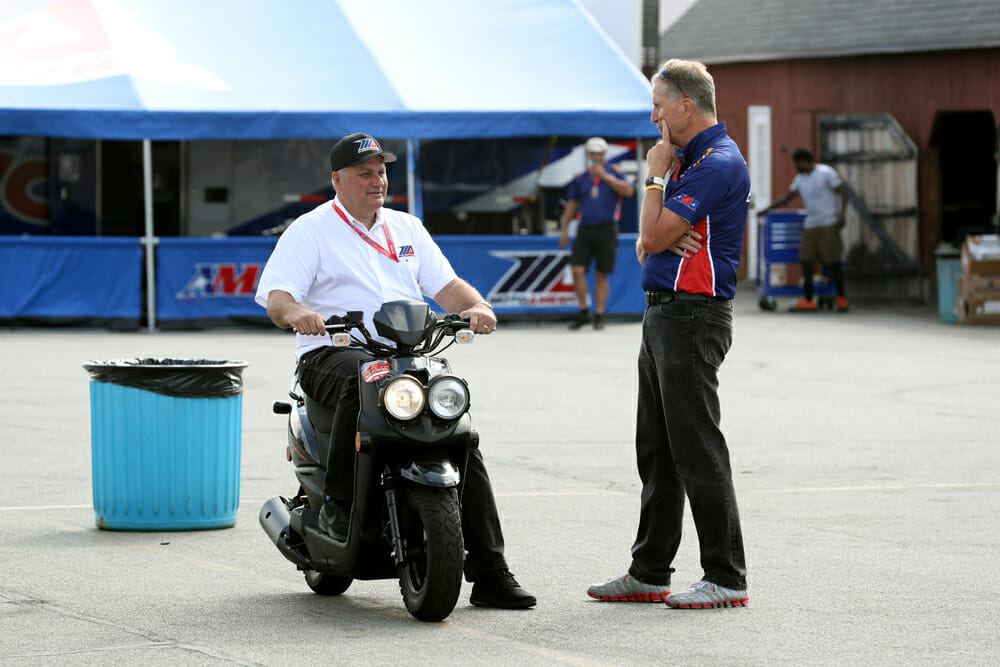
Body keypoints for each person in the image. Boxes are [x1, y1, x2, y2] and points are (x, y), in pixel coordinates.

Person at [254, 132, 535, 610]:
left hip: (405, 354)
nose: (377, 180)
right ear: (338, 180)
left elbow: (446, 287)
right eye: (365, 173)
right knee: (363, 377)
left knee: (459, 433)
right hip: (332, 353)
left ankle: (491, 571)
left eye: (381, 171)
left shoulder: (406, 228)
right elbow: (277, 298)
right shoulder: (311, 229)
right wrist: (298, 313)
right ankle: (338, 510)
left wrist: (478, 305)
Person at [586, 59, 750, 609]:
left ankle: (726, 577)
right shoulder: (687, 159)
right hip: (664, 313)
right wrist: (654, 230)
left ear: (685, 104)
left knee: (697, 447)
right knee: (656, 450)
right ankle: (650, 570)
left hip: (693, 316)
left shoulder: (716, 162)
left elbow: (652, 238)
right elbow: (645, 241)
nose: (654, 115)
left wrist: (654, 184)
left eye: (659, 104)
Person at [759, 147, 849, 312]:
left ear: (804, 162)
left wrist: (842, 215)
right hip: (811, 224)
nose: (796, 167)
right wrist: (768, 208)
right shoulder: (800, 179)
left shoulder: (825, 173)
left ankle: (842, 299)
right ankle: (809, 300)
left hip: (828, 223)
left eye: (797, 164)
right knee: (806, 259)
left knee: (833, 262)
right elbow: (788, 196)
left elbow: (843, 191)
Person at [558, 136, 635, 330]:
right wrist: (565, 230)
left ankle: (599, 314)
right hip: (585, 228)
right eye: (592, 153)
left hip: (607, 228)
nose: (595, 156)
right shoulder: (581, 178)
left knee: (602, 273)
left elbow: (628, 191)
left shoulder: (614, 172)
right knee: (577, 269)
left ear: (604, 154)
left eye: (598, 153)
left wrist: (606, 177)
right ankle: (583, 309)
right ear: (588, 155)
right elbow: (572, 205)